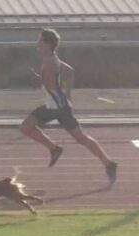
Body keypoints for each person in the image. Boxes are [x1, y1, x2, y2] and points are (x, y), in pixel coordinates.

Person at [20, 28, 117, 184]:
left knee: (26, 127)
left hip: (55, 108)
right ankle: (109, 163)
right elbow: (69, 71)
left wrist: (38, 80)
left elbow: (51, 86)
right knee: (81, 138)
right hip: (59, 106)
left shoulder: (50, 62)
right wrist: (68, 94)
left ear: (48, 43)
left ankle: (54, 149)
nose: (37, 43)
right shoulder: (52, 59)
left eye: (40, 41)